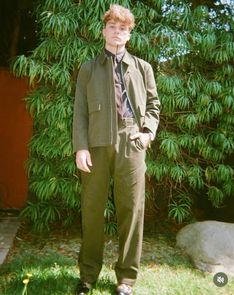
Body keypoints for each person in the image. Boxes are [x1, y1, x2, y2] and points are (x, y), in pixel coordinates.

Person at [73, 4, 160, 295]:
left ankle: (126, 279)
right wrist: (81, 148)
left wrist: (147, 133)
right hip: (97, 144)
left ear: (129, 35)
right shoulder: (88, 69)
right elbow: (80, 113)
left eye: (123, 28)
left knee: (131, 210)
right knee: (92, 210)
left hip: (132, 143)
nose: (117, 32)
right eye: (112, 27)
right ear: (104, 31)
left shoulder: (143, 68)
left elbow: (153, 106)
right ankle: (87, 276)